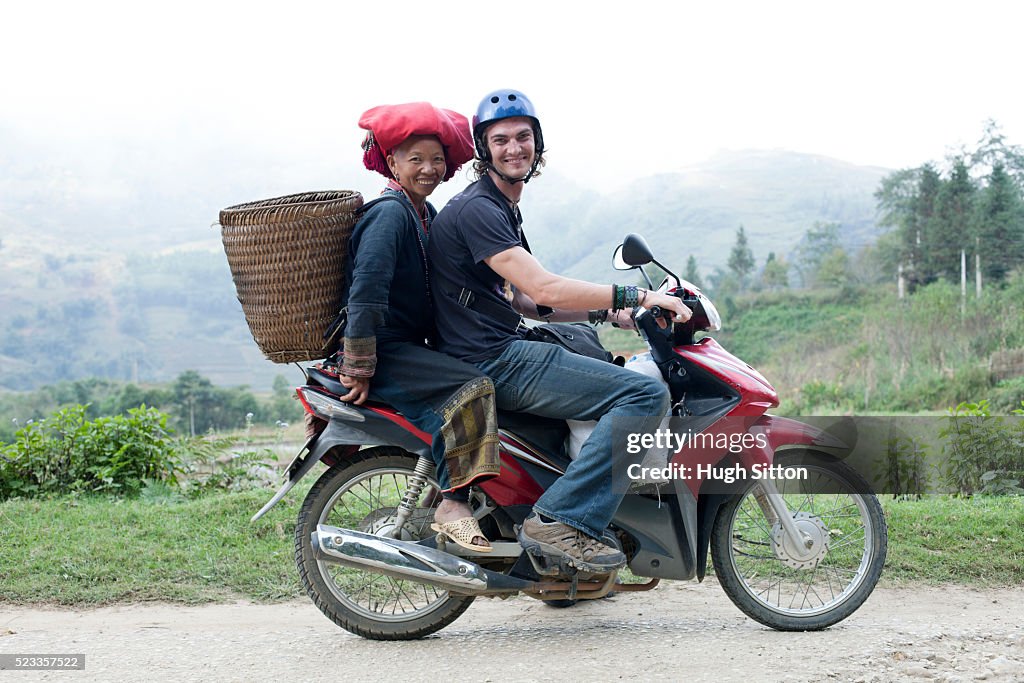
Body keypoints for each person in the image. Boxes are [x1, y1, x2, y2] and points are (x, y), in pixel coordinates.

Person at [427, 89, 692, 573]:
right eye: (500, 139)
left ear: (538, 144)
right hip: (492, 359)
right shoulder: (478, 210)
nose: (514, 148)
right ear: (483, 149)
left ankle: (565, 547)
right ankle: (561, 521)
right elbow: (543, 284)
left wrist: (610, 316)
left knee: (600, 365)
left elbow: (531, 302)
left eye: (523, 137)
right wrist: (638, 296)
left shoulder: (499, 207)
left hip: (496, 346)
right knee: (642, 398)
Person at [335, 102, 500, 551]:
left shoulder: (421, 213)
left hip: (410, 346)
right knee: (473, 386)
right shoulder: (390, 214)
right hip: (387, 350)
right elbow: (366, 291)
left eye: (436, 159)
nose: (428, 169)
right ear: (392, 163)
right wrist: (359, 365)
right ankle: (452, 503)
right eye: (416, 159)